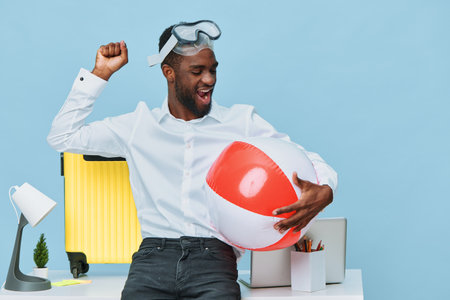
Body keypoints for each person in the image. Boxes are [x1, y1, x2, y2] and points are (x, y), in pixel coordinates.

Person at [47, 20, 337, 300]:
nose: (209, 80)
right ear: (169, 73)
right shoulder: (138, 125)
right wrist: (99, 75)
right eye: (197, 71)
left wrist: (326, 188)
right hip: (152, 259)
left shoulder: (241, 122)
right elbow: (62, 136)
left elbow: (306, 158)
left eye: (212, 70)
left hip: (214, 259)